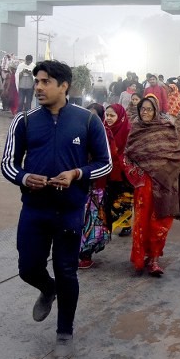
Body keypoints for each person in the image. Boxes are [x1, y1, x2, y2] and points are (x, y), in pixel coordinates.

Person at [1, 60, 112, 359]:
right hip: (34, 209)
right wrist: (25, 177)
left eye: (45, 82)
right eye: (37, 81)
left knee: (66, 271)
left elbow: (105, 163)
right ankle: (46, 288)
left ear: (64, 86)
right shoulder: (24, 121)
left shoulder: (87, 121)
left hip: (69, 211)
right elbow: (8, 164)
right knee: (28, 268)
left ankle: (65, 333)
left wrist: (77, 173)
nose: (38, 87)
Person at [123, 95, 180, 276]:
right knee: (142, 222)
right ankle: (141, 257)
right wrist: (138, 175)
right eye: (142, 109)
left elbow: (177, 154)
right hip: (144, 184)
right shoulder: (136, 130)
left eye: (149, 109)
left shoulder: (166, 128)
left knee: (160, 221)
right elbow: (128, 156)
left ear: (156, 110)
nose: (145, 113)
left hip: (164, 183)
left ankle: (154, 259)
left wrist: (163, 172)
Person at [78, 104, 112, 269]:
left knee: (91, 220)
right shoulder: (76, 132)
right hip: (78, 184)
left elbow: (108, 161)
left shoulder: (105, 135)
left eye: (94, 116)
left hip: (96, 186)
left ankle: (85, 254)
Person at [102, 103, 133, 239]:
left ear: (120, 117)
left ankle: (126, 225)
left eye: (112, 115)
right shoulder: (102, 129)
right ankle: (107, 224)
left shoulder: (128, 130)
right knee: (108, 199)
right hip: (107, 170)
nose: (108, 118)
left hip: (123, 172)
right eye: (107, 115)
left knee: (124, 199)